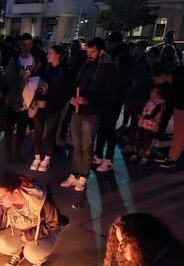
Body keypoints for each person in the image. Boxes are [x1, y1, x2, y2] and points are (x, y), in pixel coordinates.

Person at [61, 37, 117, 192]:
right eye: (88, 51)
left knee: (87, 146)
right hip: (78, 111)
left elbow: (109, 95)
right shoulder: (86, 65)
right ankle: (73, 175)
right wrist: (72, 97)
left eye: (93, 52)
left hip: (92, 114)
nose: (89, 54)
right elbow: (76, 84)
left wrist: (89, 100)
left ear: (101, 51)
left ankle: (83, 177)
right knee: (76, 146)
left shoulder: (108, 68)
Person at [94, 32, 134, 173]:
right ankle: (98, 155)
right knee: (101, 126)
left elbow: (124, 79)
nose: (108, 44)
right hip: (105, 96)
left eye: (111, 42)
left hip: (115, 97)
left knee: (109, 127)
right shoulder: (111, 55)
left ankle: (109, 159)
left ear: (118, 42)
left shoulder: (124, 57)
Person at [30, 45, 73, 172]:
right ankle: (37, 157)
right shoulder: (45, 68)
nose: (47, 55)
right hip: (41, 103)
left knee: (51, 132)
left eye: (50, 53)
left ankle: (47, 159)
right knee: (38, 130)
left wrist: (51, 91)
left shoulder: (64, 70)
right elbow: (35, 80)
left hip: (54, 105)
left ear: (58, 55)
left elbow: (65, 89)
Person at [4, 33, 39, 162]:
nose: (26, 47)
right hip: (13, 101)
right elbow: (9, 81)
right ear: (19, 45)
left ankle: (18, 154)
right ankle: (8, 153)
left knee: (21, 131)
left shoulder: (35, 61)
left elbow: (37, 79)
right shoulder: (14, 60)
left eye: (29, 44)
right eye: (24, 44)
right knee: (9, 129)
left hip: (27, 103)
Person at [128, 85, 166, 165]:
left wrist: (143, 117)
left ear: (158, 95)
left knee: (147, 142)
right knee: (139, 139)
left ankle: (145, 157)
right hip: (143, 124)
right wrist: (140, 114)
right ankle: (135, 154)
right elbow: (143, 109)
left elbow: (153, 115)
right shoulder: (149, 101)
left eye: (153, 92)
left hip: (150, 127)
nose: (151, 93)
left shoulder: (159, 104)